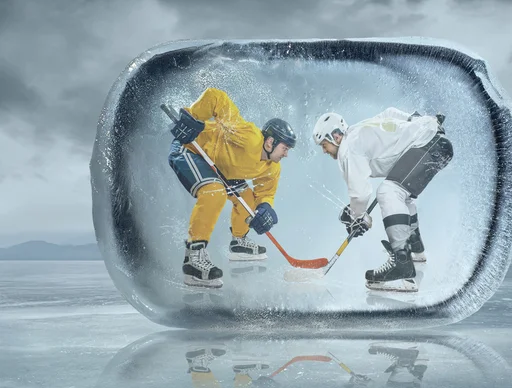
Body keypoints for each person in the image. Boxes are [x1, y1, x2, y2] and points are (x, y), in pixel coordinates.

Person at [312, 107, 453, 292]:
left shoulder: (349, 147)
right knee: (401, 196)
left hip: (429, 145)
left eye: (324, 144)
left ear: (335, 137)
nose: (324, 151)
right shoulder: (359, 130)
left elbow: (360, 193)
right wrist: (415, 118)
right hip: (437, 144)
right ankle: (415, 249)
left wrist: (358, 217)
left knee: (389, 192)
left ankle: (402, 263)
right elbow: (389, 113)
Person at [167, 87, 296, 289]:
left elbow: (266, 193)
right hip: (192, 150)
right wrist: (193, 117)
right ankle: (194, 258)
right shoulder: (250, 137)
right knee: (214, 192)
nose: (286, 154)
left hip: (222, 168)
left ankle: (238, 242)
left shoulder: (272, 168)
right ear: (271, 142)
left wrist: (265, 209)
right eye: (285, 148)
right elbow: (216, 97)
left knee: (249, 202)